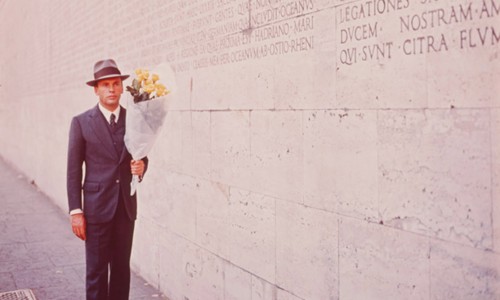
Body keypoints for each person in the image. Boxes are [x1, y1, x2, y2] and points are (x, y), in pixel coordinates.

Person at [67, 59, 148, 300]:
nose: (111, 89)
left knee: (122, 271)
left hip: (125, 207)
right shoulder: (81, 122)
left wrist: (142, 167)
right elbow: (73, 170)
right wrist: (75, 211)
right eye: (105, 85)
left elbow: (143, 155)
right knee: (96, 272)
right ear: (96, 89)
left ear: (122, 88)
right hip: (96, 209)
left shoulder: (134, 120)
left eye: (115, 84)